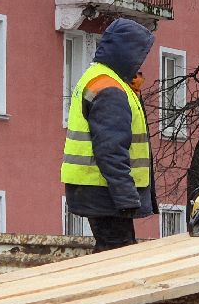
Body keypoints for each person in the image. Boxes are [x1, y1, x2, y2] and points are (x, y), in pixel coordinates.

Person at [61, 18, 157, 250]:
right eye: (140, 54)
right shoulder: (111, 88)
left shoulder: (100, 78)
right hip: (105, 192)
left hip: (97, 189)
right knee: (118, 257)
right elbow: (110, 150)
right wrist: (126, 197)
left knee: (112, 252)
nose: (141, 61)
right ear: (127, 53)